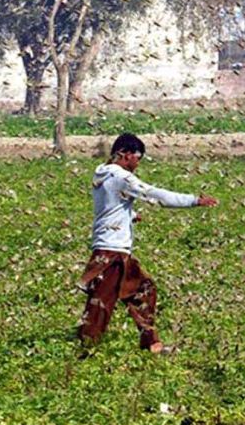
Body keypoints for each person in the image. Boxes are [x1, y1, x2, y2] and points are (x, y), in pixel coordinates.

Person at [78, 133, 217, 353]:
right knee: (100, 306)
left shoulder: (103, 175)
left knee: (144, 289)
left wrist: (129, 216)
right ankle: (83, 353)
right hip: (111, 252)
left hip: (116, 250)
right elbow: (155, 195)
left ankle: (151, 343)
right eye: (137, 157)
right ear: (124, 155)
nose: (137, 163)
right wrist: (194, 200)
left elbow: (109, 207)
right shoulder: (121, 177)